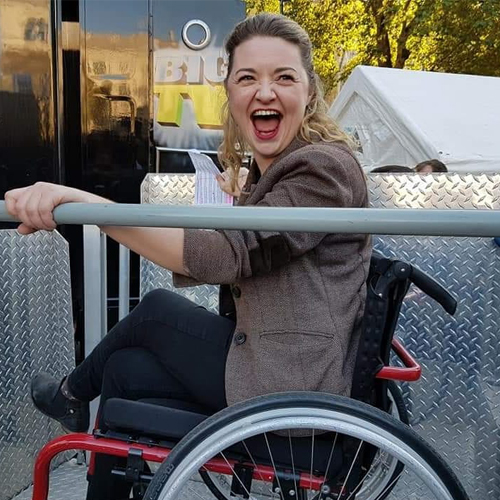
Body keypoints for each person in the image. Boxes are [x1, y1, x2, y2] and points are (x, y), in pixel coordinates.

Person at [4, 13, 371, 500]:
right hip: (272, 357)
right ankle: (83, 422)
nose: (265, 92)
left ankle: (72, 396)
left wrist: (88, 206)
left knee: (156, 311)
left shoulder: (321, 166)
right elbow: (251, 251)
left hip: (291, 386)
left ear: (310, 91)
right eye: (247, 78)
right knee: (123, 370)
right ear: (232, 95)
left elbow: (231, 255)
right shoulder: (280, 170)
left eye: (284, 77)